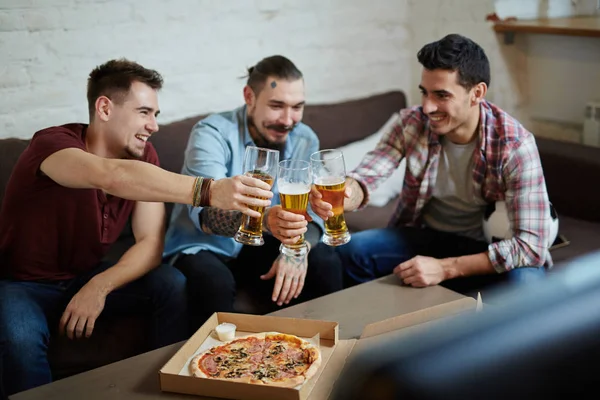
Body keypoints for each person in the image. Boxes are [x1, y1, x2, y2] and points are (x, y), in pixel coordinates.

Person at [0, 59, 273, 398]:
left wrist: (99, 287)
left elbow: (149, 243)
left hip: (85, 275)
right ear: (104, 108)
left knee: (170, 283)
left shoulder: (145, 156)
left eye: (156, 115)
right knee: (18, 336)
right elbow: (110, 175)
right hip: (23, 284)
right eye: (145, 112)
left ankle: (168, 388)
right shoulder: (52, 145)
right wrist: (210, 190)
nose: (153, 126)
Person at [311, 34, 552, 297]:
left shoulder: (514, 145)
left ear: (477, 93)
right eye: (424, 93)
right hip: (426, 238)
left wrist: (446, 269)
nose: (427, 107)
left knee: (528, 288)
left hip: (489, 249)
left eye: (441, 95)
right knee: (347, 251)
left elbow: (531, 246)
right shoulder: (411, 123)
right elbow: (369, 173)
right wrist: (347, 193)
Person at [164, 55, 343, 330]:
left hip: (261, 243)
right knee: (214, 283)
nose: (287, 120)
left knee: (324, 259)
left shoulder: (305, 137)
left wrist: (297, 249)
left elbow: (310, 213)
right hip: (206, 245)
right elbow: (207, 215)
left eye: (297, 107)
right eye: (276, 106)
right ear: (249, 97)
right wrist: (267, 219)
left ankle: (322, 350)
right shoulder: (211, 133)